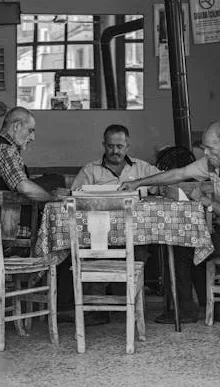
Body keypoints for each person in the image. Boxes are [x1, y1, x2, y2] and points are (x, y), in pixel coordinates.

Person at [120, 120, 220, 324]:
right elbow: (179, 173)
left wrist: (205, 201)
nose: (206, 154)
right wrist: (138, 182)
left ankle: (186, 310)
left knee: (183, 247)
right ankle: (217, 307)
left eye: (210, 149)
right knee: (193, 241)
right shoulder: (214, 162)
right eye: (205, 149)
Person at [62, 124, 162, 325]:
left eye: (120, 146)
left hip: (134, 234)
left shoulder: (143, 168)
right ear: (103, 145)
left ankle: (130, 305)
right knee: (92, 253)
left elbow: (164, 185)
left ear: (128, 146)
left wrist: (149, 188)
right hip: (98, 235)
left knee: (139, 253)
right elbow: (73, 199)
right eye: (110, 146)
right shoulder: (90, 170)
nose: (115, 151)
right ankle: (97, 310)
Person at [0, 106, 61, 202]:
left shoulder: (2, 146)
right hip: (3, 214)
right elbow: (24, 188)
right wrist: (52, 199)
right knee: (56, 182)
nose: (33, 137)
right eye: (30, 130)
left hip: (4, 211)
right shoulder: (3, 148)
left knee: (54, 180)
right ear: (16, 126)